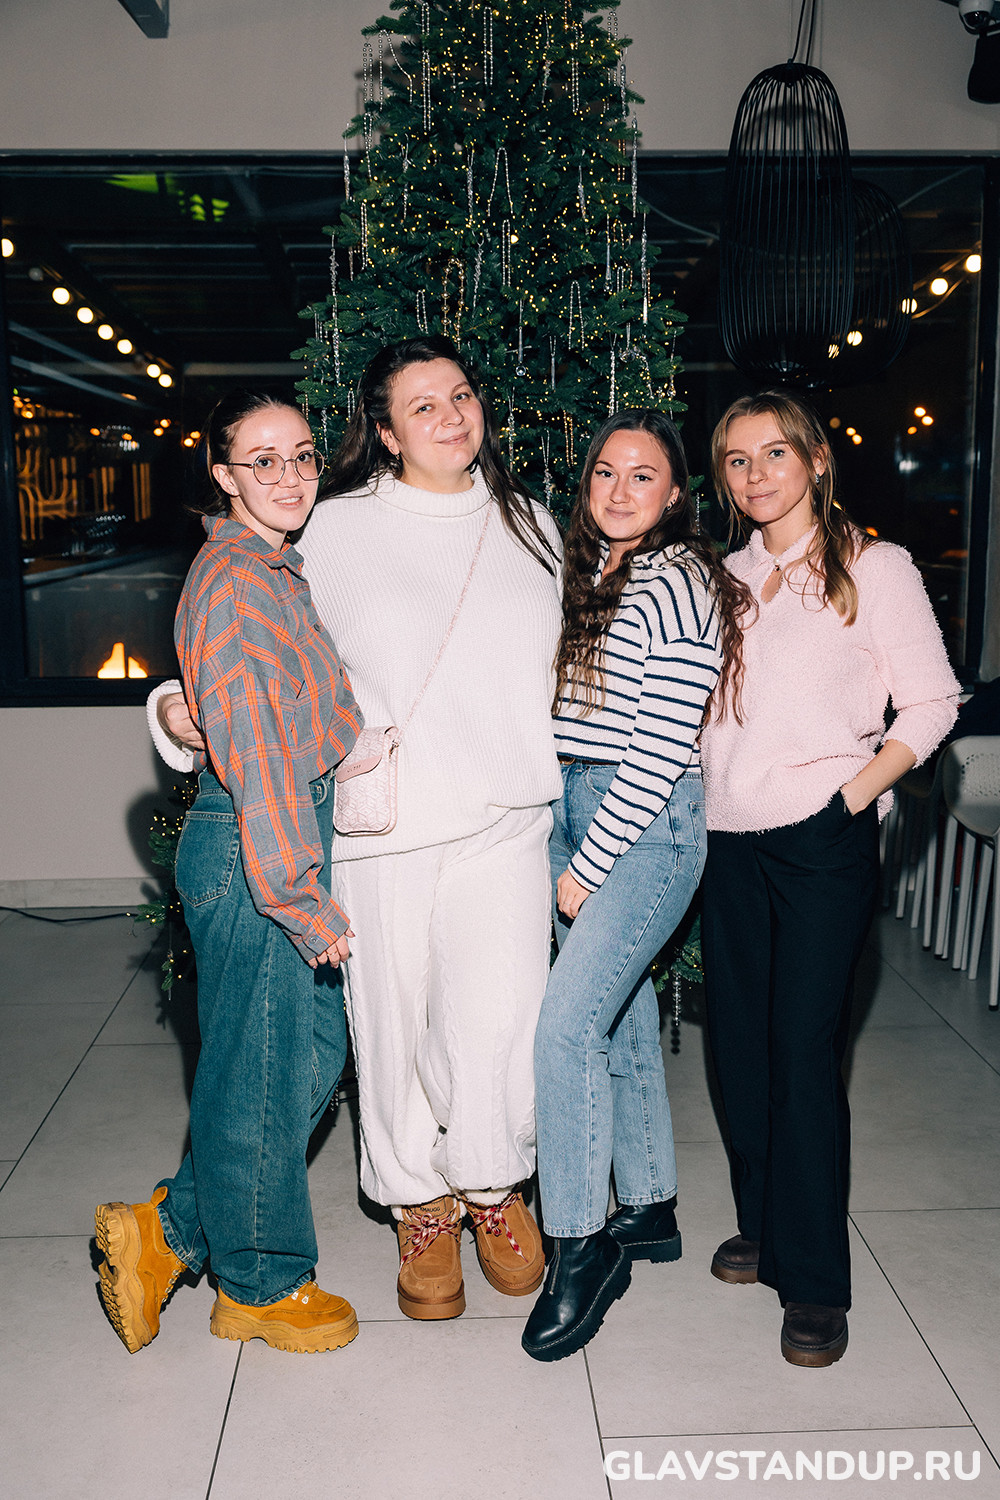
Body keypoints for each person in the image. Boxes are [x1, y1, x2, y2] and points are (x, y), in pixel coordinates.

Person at [149, 336, 563, 1321]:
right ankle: (420, 1204)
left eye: (460, 394)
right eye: (422, 406)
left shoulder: (534, 523)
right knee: (388, 1025)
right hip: (382, 826)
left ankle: (493, 1184)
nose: (449, 416)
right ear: (384, 431)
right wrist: (170, 708)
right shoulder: (331, 524)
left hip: (506, 816)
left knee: (501, 1018)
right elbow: (249, 646)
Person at [96, 392, 364, 1356]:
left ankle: (169, 1232)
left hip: (272, 831)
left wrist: (352, 745)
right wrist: (297, 897)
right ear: (224, 475)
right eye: (264, 461)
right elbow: (256, 753)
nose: (290, 476)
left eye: (302, 455)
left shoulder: (274, 569)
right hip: (258, 845)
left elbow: (304, 711)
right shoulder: (240, 583)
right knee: (260, 1072)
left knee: (306, 1054)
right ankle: (259, 1285)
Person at [699, 391, 961, 1368]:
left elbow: (931, 704)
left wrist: (846, 802)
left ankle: (813, 1281)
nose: (756, 474)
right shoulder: (722, 576)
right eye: (736, 460)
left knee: (804, 1055)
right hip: (726, 838)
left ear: (814, 459)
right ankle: (764, 1223)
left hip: (821, 840)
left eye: (774, 453)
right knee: (739, 1049)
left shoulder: (874, 566)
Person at [521, 410, 750, 1362]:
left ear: (675, 494)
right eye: (605, 472)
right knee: (615, 1017)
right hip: (577, 801)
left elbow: (660, 745)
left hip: (643, 825)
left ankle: (579, 1249)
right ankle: (649, 1203)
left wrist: (587, 863)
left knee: (566, 1027)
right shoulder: (599, 572)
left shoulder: (679, 579)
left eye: (643, 475)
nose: (619, 491)